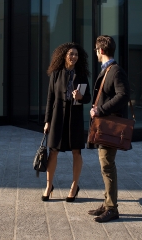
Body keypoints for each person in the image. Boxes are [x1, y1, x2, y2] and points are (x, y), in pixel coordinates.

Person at [87, 35, 131, 223]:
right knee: (105, 165)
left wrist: (100, 109)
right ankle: (107, 203)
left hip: (110, 126)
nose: (96, 53)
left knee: (107, 165)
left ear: (101, 51)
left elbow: (123, 95)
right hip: (104, 125)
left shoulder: (115, 71)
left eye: (96, 50)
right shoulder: (108, 70)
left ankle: (112, 208)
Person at [42, 42, 91, 202]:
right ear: (64, 55)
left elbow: (89, 97)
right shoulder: (56, 73)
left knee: (76, 151)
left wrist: (80, 97)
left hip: (74, 118)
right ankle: (49, 186)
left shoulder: (82, 74)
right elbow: (50, 98)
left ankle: (74, 186)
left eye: (76, 54)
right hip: (57, 117)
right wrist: (47, 121)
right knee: (53, 151)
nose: (74, 57)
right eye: (71, 54)